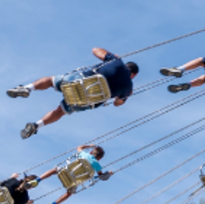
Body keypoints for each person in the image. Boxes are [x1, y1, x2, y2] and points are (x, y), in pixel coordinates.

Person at [10, 48, 141, 139]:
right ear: (134, 75)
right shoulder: (128, 88)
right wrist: (126, 95)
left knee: (50, 81)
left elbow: (95, 50)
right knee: (60, 111)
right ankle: (37, 125)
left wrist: (113, 56)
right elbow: (117, 103)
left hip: (78, 83)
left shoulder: (116, 62)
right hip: (85, 101)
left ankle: (28, 88)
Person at [39, 145, 114, 204]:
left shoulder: (84, 154)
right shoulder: (97, 165)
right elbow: (102, 176)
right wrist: (109, 173)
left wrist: (90, 146)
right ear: (99, 158)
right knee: (69, 193)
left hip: (65, 173)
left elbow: (79, 147)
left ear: (91, 152)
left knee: (54, 170)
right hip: (73, 182)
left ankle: (37, 180)